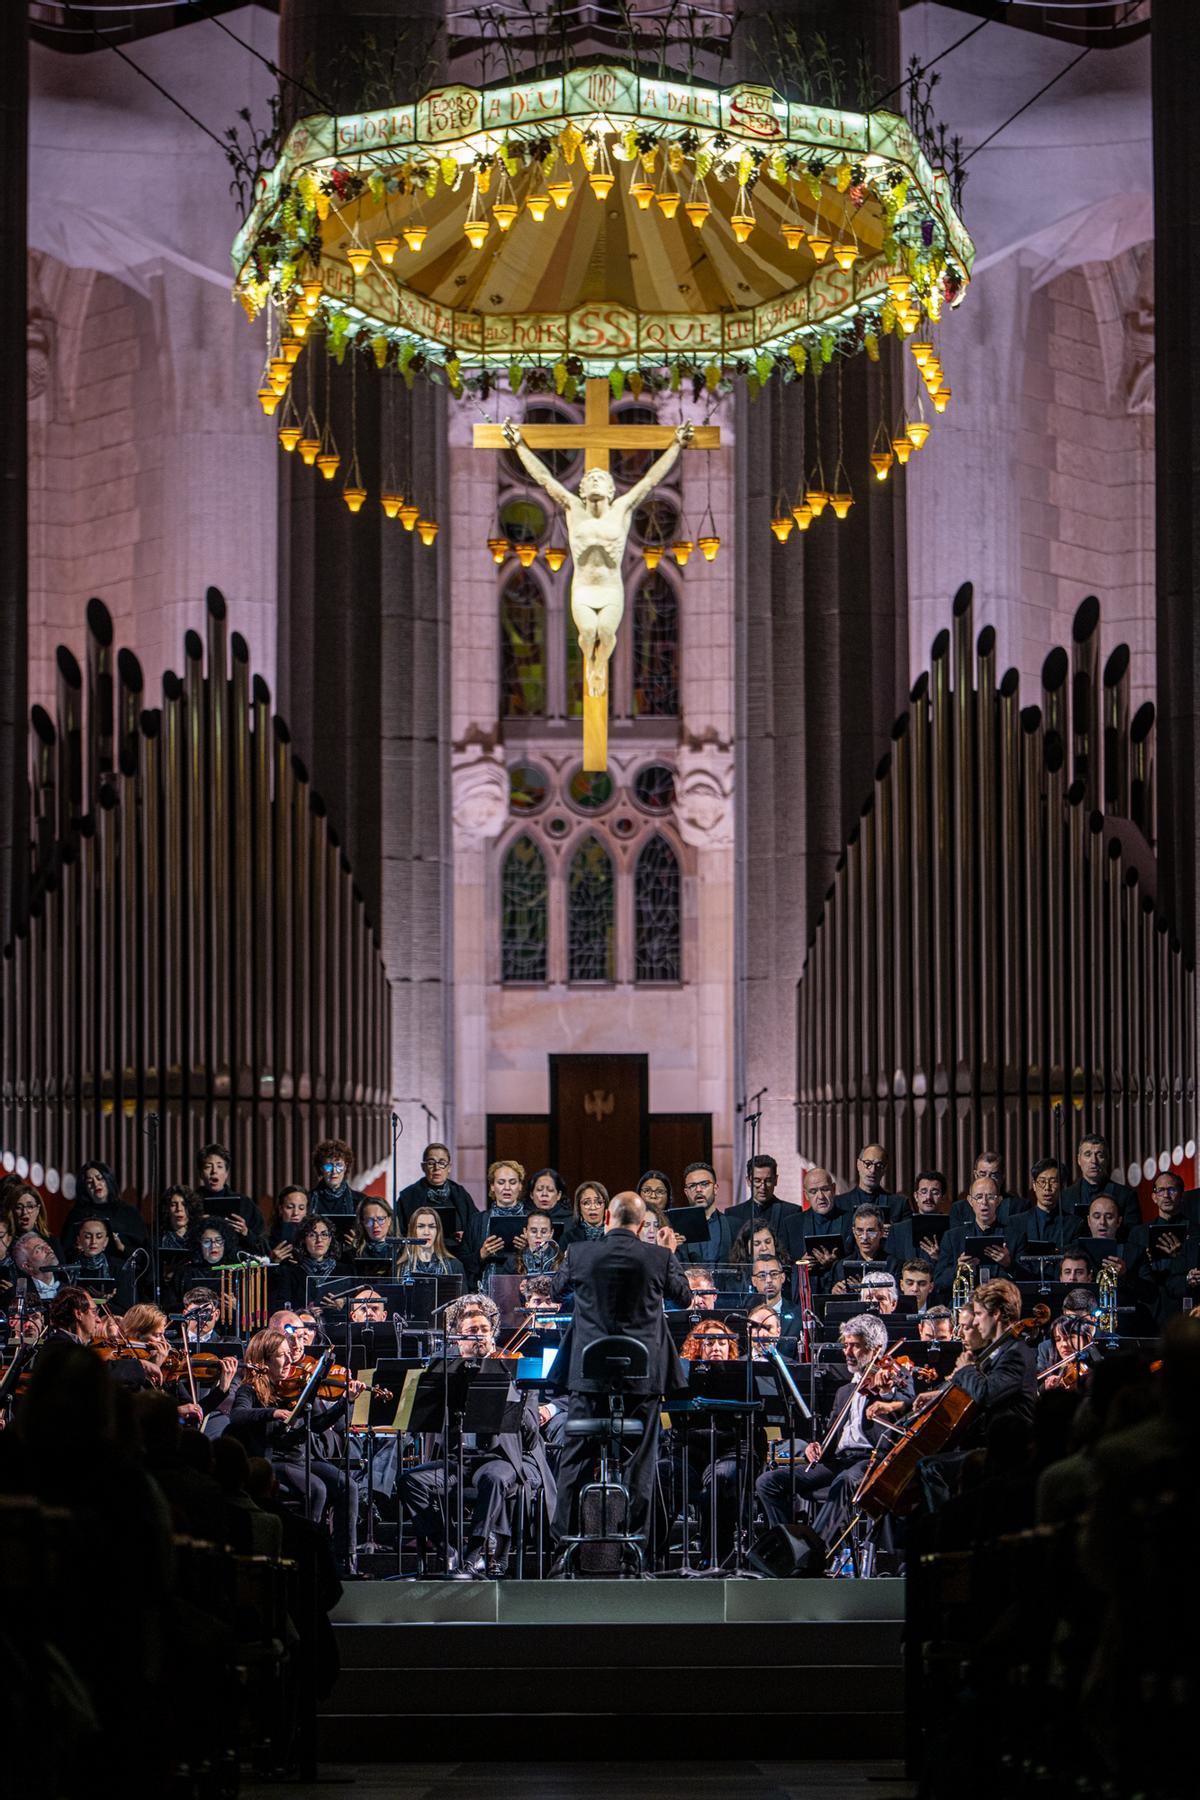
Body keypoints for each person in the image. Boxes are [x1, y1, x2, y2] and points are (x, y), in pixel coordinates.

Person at [502, 414, 693, 698]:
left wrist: (677, 445)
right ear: (581, 489)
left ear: (610, 489)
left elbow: (651, 480)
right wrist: (519, 447)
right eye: (589, 479)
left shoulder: (622, 509)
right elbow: (544, 479)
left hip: (609, 589)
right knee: (588, 633)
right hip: (583, 590)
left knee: (605, 631)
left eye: (599, 479)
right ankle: (592, 665)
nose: (593, 482)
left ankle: (598, 666)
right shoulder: (572, 508)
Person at [550, 1192, 692, 1550]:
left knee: (575, 1460)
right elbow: (685, 1297)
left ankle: (561, 1544)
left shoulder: (580, 1252)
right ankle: (636, 1549)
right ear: (643, 1225)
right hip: (644, 1381)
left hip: (588, 1377)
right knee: (641, 1465)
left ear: (607, 1218)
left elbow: (555, 1290)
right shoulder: (658, 1257)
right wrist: (669, 1253)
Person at [397, 1292, 556, 1577]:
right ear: (457, 1338)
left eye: (484, 1330)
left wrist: (503, 1380)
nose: (480, 1336)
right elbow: (421, 1421)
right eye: (472, 1331)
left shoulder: (514, 1370)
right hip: (459, 1460)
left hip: (500, 1459)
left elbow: (531, 1436)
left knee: (493, 1479)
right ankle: (447, 1548)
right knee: (409, 1481)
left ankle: (473, 1554)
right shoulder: (445, 1373)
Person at [225, 1327, 360, 1568]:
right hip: (274, 1461)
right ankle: (307, 1557)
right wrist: (272, 1412)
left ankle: (345, 1559)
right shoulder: (250, 1389)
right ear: (264, 1361)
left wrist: (345, 1402)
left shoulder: (298, 1388)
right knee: (317, 1488)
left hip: (302, 1458)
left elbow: (317, 1426)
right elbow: (237, 1415)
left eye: (290, 1354)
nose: (289, 1360)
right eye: (281, 1355)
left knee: (347, 1485)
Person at [755, 1313, 903, 1531]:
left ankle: (815, 1552)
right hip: (839, 1461)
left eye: (855, 1346)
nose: (848, 1353)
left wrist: (888, 1394)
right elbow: (830, 1437)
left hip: (872, 1462)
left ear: (876, 1348)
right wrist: (816, 1446)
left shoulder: (895, 1380)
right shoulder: (845, 1391)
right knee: (768, 1482)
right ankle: (790, 1545)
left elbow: (905, 1413)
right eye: (846, 1345)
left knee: (843, 1483)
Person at [947, 1277, 1037, 1438]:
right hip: (989, 1439)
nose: (974, 1322)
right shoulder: (998, 1350)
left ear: (996, 1313)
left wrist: (967, 1369)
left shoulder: (1015, 1353)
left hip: (1008, 1444)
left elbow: (986, 1394)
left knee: (931, 1464)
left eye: (979, 1314)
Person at [725, 1156, 807, 1258]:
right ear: (748, 1181)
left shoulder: (792, 1212)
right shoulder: (733, 1214)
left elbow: (796, 1255)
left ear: (776, 1180)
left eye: (768, 1180)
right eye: (757, 1180)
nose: (763, 1187)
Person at [394, 1143, 476, 1243]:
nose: (437, 1167)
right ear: (423, 1167)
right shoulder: (408, 1196)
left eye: (442, 1162)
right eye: (431, 1162)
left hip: (456, 1253)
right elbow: (399, 1234)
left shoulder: (460, 1194)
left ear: (449, 1167)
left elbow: (476, 1226)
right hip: (421, 1253)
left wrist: (466, 1236)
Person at [462, 1159, 527, 1283]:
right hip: (484, 1288)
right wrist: (481, 1254)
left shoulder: (532, 1219)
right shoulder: (477, 1220)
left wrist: (529, 1250)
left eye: (513, 1182)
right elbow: (462, 1260)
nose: (507, 1188)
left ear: (520, 1186)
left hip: (524, 1288)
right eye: (501, 1182)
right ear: (492, 1186)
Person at [61, 1160, 149, 1252]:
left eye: (100, 1178)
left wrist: (122, 1248)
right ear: (85, 1188)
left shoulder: (129, 1212)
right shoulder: (77, 1214)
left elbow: (143, 1250)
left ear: (108, 1180)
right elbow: (65, 1249)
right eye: (89, 1182)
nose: (95, 1184)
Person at [1063, 1132, 1140, 1229]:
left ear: (1107, 1159)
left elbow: (1133, 1236)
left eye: (1099, 1155)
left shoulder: (1126, 1196)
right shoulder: (1065, 1197)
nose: (1094, 1161)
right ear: (1079, 1159)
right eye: (1088, 1154)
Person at [194, 1142, 266, 1244]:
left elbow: (262, 1244)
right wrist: (194, 1226)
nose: (214, 1171)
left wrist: (246, 1232)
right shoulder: (190, 1203)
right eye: (208, 1166)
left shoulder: (244, 1203)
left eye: (219, 1166)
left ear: (226, 1172)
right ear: (201, 1174)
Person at [671, 1162, 734, 1266]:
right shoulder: (675, 1228)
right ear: (686, 1192)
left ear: (715, 1189)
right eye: (692, 1186)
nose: (698, 1190)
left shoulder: (733, 1225)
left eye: (704, 1184)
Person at [830, 1205, 898, 1294]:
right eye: (860, 1231)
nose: (865, 1237)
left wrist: (864, 1290)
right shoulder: (840, 1266)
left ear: (881, 1232)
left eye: (870, 1231)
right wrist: (834, 1292)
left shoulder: (894, 1266)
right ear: (854, 1232)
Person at [948, 1150, 1029, 1225]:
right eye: (982, 1174)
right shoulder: (959, 1209)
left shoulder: (1019, 1207)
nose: (987, 1179)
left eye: (993, 1175)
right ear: (975, 1175)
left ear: (1003, 1176)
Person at [833, 1143, 908, 1223]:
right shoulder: (839, 1204)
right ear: (858, 1164)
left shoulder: (899, 1204)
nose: (873, 1170)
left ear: (885, 1169)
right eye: (868, 1164)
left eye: (879, 1165)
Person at [886, 1171, 949, 1266]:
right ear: (916, 1196)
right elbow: (892, 1268)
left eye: (935, 1192)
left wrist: (940, 1258)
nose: (928, 1197)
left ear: (943, 1198)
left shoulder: (953, 1230)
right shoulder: (897, 1231)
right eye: (923, 1192)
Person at [308, 1138, 365, 1230]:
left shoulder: (360, 1201)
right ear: (321, 1168)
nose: (334, 1171)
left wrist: (358, 1241)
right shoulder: (308, 1200)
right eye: (328, 1166)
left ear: (346, 1167)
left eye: (339, 1165)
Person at [396, 1206, 464, 1279]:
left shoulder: (455, 1265)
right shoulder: (399, 1267)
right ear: (413, 1230)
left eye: (432, 1227)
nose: (426, 1232)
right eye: (421, 1226)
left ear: (438, 1231)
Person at [266, 1185, 311, 1265]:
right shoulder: (265, 1240)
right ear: (280, 1209)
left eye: (301, 1208)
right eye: (290, 1207)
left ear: (306, 1211)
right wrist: (271, 1262)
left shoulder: (315, 1239)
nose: (296, 1213)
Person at [560, 1180, 609, 1248]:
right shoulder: (568, 1238)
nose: (592, 1207)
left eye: (598, 1202)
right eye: (586, 1203)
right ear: (579, 1207)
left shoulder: (614, 1237)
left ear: (605, 1206)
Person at [515, 1211, 562, 1277]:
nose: (538, 1236)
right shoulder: (513, 1262)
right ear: (525, 1232)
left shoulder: (562, 1262)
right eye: (534, 1231)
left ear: (551, 1233)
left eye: (544, 1231)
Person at [158, 1184, 199, 1250]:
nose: (179, 1209)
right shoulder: (158, 1241)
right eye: (173, 1205)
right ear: (166, 1209)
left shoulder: (199, 1238)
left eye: (184, 1204)